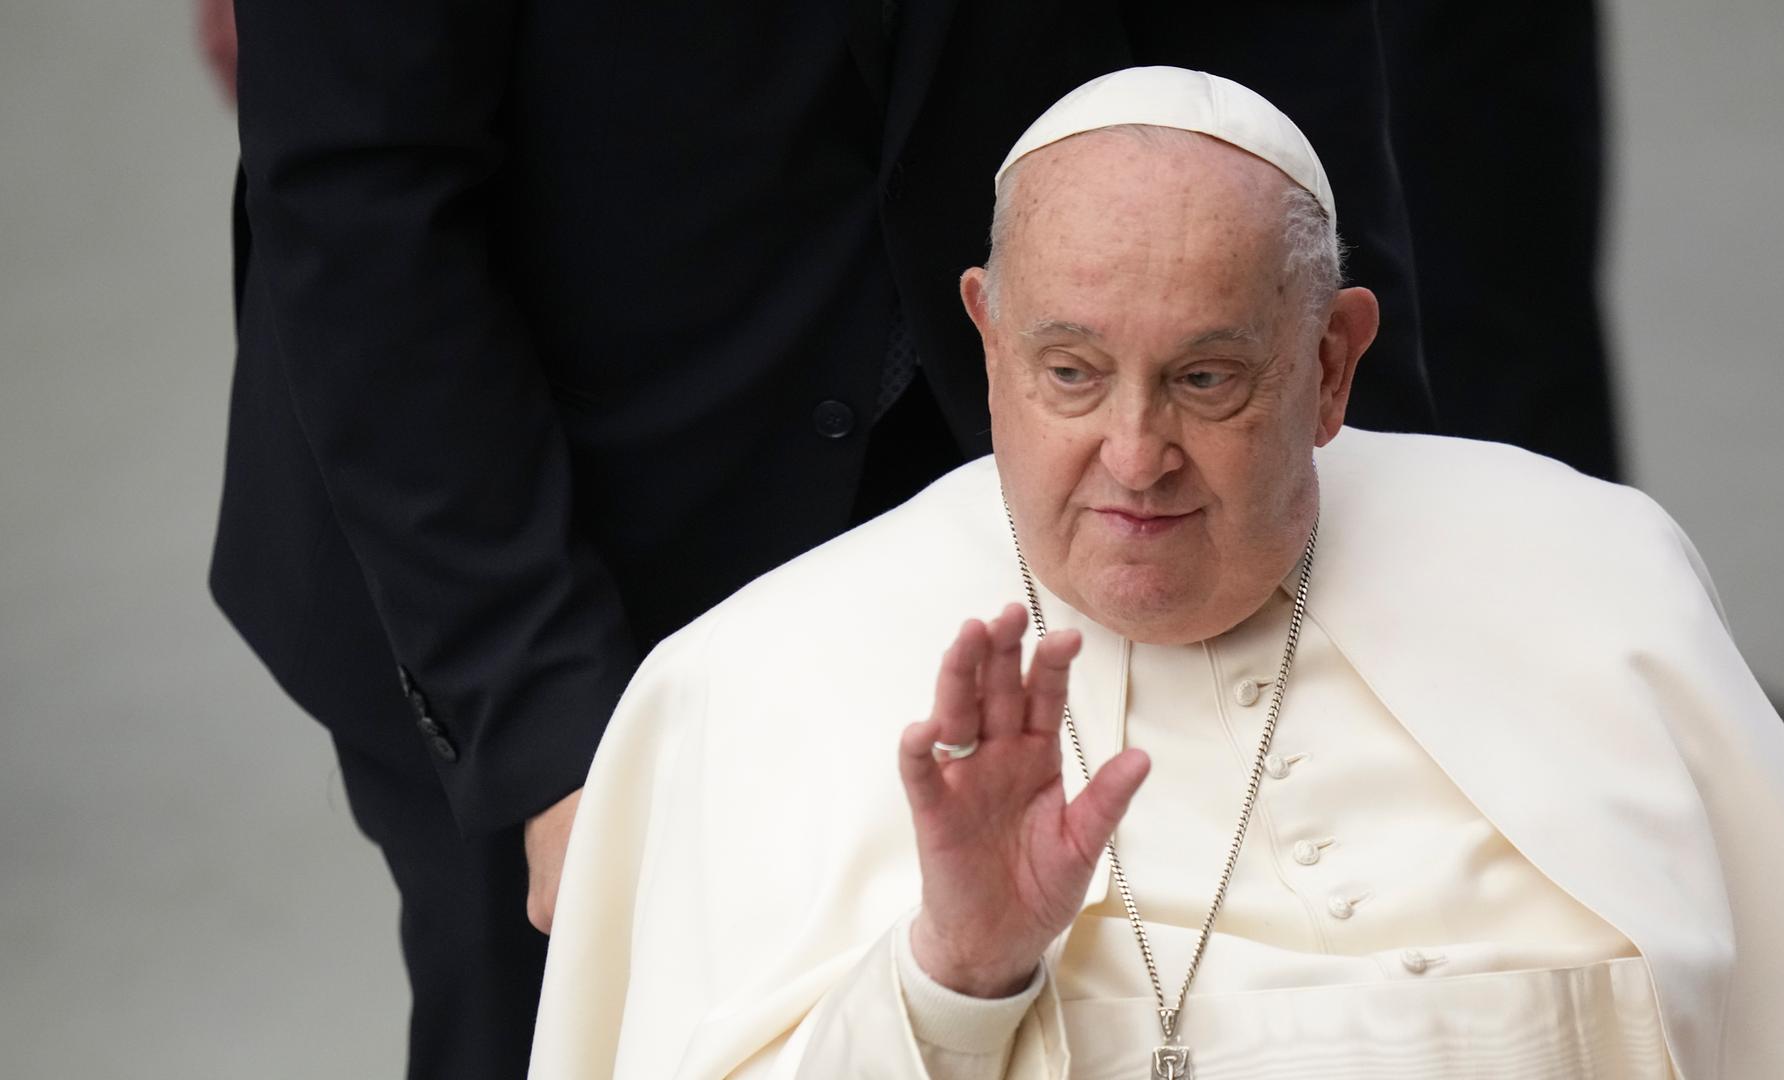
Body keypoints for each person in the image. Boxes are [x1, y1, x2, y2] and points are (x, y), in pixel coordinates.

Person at [530, 68, 1784, 1079]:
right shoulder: (762, 676)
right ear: (989, 341)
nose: (1137, 457)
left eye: (1206, 378)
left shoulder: (1585, 575)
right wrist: (956, 974)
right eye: (1072, 372)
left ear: (1331, 364)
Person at [212, 4, 1436, 1075]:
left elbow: (1286, 73)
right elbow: (361, 196)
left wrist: (1371, 533)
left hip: (1048, 472)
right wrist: (546, 734)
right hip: (537, 539)